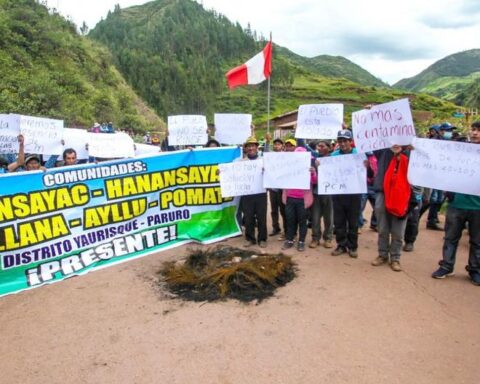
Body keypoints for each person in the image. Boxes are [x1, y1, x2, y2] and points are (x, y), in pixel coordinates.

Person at [431, 121, 480, 285]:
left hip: (478, 206)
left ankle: (475, 270)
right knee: (450, 238)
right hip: (456, 203)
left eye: (479, 131)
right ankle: (446, 266)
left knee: (477, 241)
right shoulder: (457, 149)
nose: (475, 133)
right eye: (474, 129)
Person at [371, 145, 413, 272]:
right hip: (382, 192)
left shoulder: (411, 152)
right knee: (382, 228)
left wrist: (404, 151)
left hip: (402, 194)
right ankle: (382, 254)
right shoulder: (383, 150)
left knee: (398, 231)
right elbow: (372, 146)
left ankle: (395, 258)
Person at [328, 129, 363, 258]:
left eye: (345, 141)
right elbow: (328, 172)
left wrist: (367, 165)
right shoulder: (333, 156)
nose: (342, 143)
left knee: (353, 222)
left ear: (350, 141)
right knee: (339, 221)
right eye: (340, 141)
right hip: (338, 194)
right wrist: (320, 165)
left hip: (354, 194)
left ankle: (353, 247)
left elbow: (368, 171)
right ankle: (341, 245)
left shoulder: (359, 154)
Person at [281, 147, 317, 252]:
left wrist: (313, 173)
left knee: (302, 222)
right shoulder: (288, 168)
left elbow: (315, 182)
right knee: (290, 221)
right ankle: (289, 240)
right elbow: (279, 178)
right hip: (290, 198)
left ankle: (301, 241)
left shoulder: (309, 169)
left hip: (303, 200)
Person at [240, 136, 268, 248]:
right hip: (247, 194)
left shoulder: (263, 161)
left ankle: (262, 239)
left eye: (253, 146)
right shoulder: (240, 162)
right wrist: (221, 171)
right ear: (246, 149)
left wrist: (265, 170)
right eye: (249, 146)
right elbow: (230, 172)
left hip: (261, 193)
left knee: (262, 217)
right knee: (248, 217)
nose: (251, 148)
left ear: (257, 148)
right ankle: (250, 238)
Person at [309, 140, 334, 249]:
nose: (319, 148)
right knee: (315, 217)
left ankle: (328, 238)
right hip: (317, 192)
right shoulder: (314, 159)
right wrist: (314, 169)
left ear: (329, 148)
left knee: (329, 218)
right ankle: (315, 238)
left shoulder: (335, 159)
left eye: (322, 146)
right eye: (318, 146)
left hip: (330, 193)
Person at [266, 137, 286, 238]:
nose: (276, 146)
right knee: (274, 210)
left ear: (282, 146)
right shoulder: (270, 156)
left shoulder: (287, 157)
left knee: (283, 210)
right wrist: (267, 142)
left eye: (278, 144)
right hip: (273, 188)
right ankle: (276, 228)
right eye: (275, 144)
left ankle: (286, 229)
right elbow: (265, 153)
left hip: (283, 189)